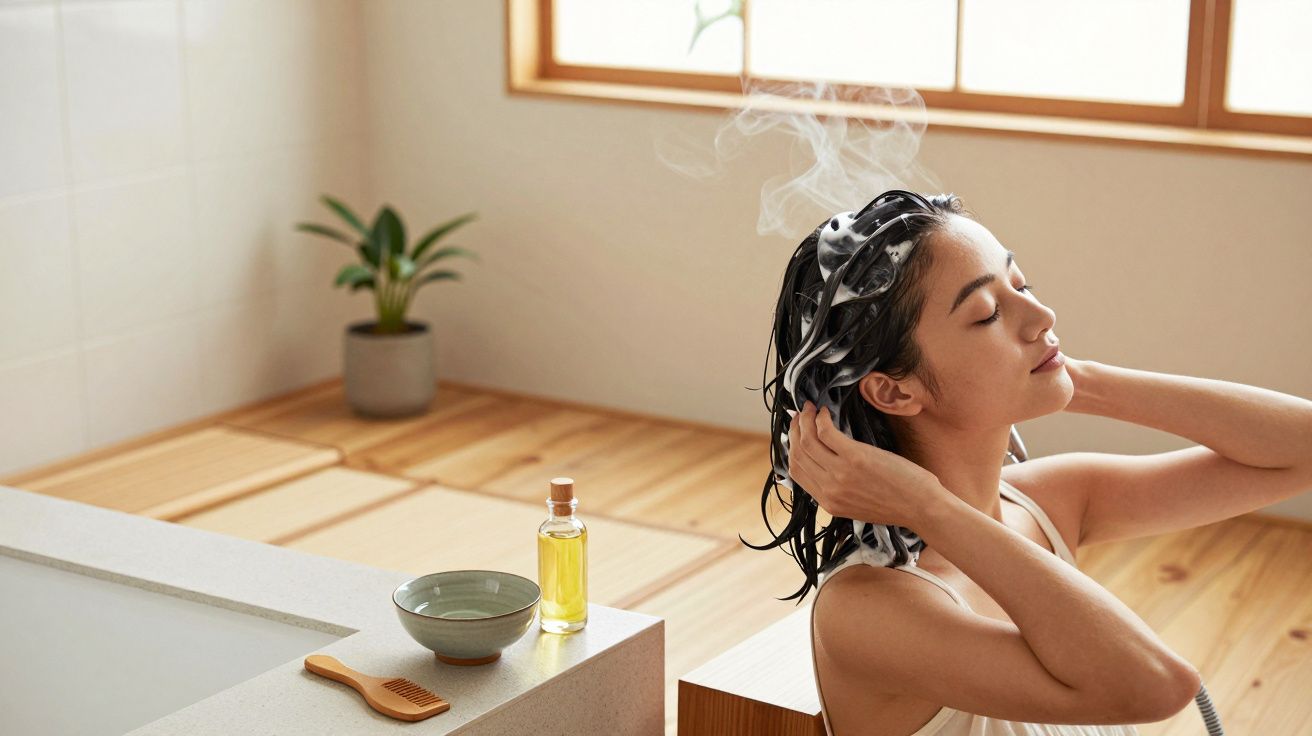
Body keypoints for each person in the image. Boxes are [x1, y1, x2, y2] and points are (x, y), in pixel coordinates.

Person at [744, 190, 1197, 734]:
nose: (1042, 314)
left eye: (1021, 285)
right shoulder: (868, 608)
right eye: (986, 314)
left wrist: (1082, 380)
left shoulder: (1046, 502)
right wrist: (926, 507)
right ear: (894, 391)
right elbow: (1156, 685)